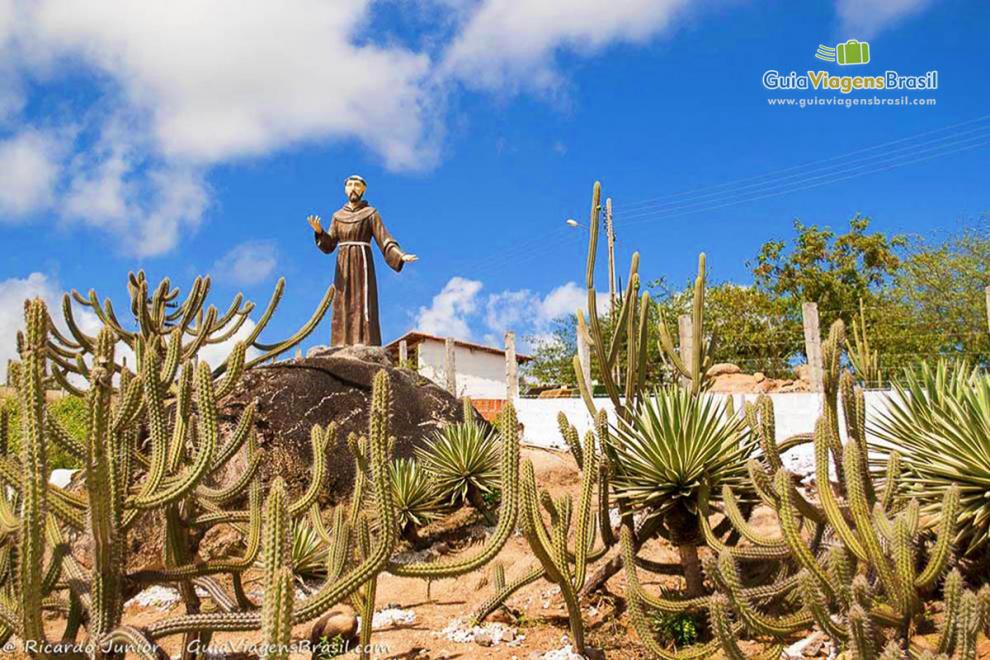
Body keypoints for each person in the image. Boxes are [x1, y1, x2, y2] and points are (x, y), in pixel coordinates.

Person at [308, 175, 418, 346]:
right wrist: (320, 232)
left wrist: (400, 255)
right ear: (345, 189)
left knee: (364, 300)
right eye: (350, 185)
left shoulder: (370, 213)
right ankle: (341, 343)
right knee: (342, 302)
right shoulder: (337, 216)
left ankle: (366, 342)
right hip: (342, 265)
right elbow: (329, 246)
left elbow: (384, 238)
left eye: (357, 185)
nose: (353, 188)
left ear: (363, 189)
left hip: (363, 262)